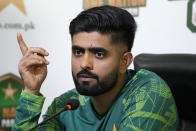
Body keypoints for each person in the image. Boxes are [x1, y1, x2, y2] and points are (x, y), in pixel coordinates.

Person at [13, 5, 179, 131]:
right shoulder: (65, 106)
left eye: (99, 54)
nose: (84, 64)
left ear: (125, 61)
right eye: (78, 52)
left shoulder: (149, 92)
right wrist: (31, 91)